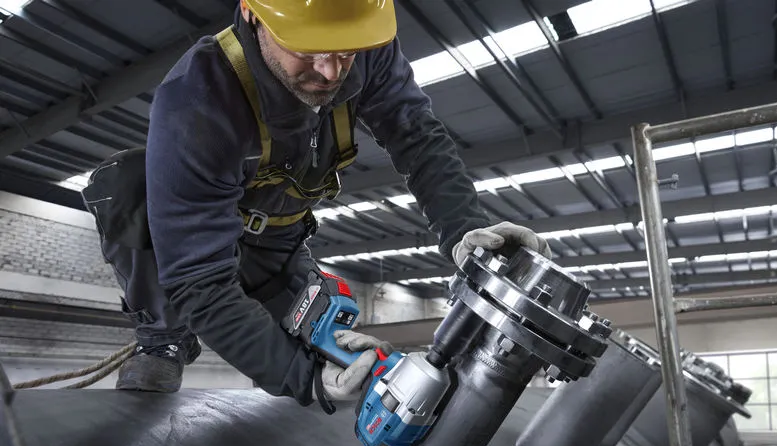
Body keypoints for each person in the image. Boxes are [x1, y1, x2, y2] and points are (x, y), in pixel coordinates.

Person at [81, 0, 551, 408]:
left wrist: (463, 230)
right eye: (309, 52)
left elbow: (417, 136)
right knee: (124, 182)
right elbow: (199, 280)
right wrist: (299, 378)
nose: (331, 71)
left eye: (345, 53)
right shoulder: (197, 98)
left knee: (339, 367)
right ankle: (164, 339)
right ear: (253, 14)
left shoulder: (362, 42)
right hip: (189, 251)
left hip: (278, 250)